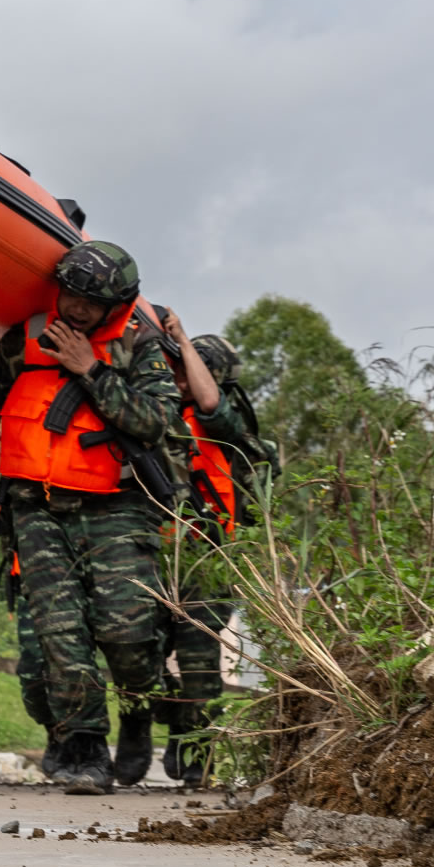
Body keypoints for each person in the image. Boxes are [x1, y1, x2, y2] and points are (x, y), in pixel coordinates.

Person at [0, 241, 183, 795]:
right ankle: (85, 748)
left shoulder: (138, 348)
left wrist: (90, 369)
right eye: (71, 294)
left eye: (92, 304)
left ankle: (139, 710)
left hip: (117, 509)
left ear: (117, 307)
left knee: (129, 631)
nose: (76, 309)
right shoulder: (22, 341)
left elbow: (154, 422)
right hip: (37, 507)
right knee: (59, 634)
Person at [152, 330, 270, 789]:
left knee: (200, 661)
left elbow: (213, 407)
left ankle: (198, 751)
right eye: (175, 367)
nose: (179, 378)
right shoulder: (155, 409)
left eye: (188, 368)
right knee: (138, 652)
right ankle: (178, 724)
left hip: (208, 551)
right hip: (154, 550)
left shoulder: (225, 419)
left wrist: (181, 338)